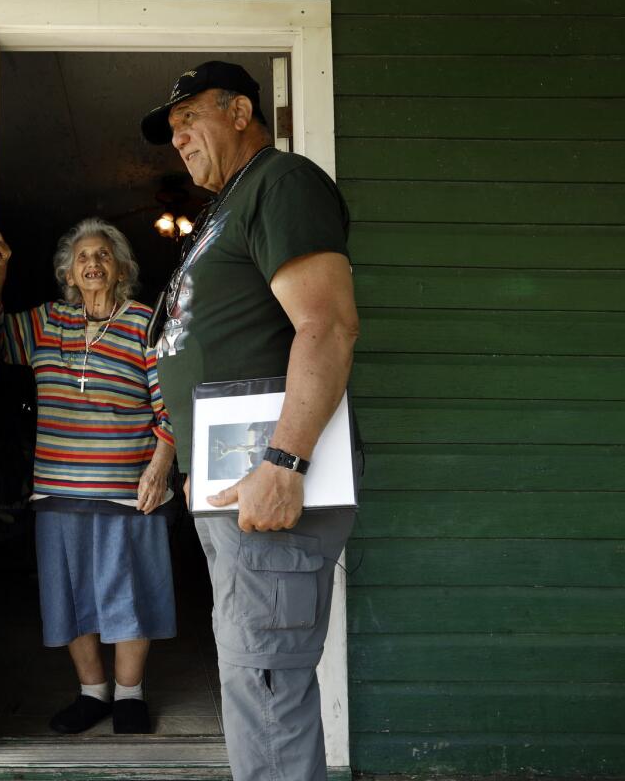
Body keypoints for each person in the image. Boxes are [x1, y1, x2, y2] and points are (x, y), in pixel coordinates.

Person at [140, 61, 361, 779]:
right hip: (235, 483)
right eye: (170, 130)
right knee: (250, 673)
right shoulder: (225, 208)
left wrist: (285, 462)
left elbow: (325, 326)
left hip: (268, 479)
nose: (178, 139)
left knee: (266, 682)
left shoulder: (280, 182)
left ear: (240, 112)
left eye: (189, 119)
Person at [0, 217, 177, 735]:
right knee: (69, 593)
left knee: (128, 591)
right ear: (69, 272)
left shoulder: (144, 323)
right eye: (83, 256)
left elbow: (171, 407)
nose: (93, 263)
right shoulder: (49, 322)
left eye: (104, 255)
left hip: (127, 490)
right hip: (58, 488)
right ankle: (94, 693)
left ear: (121, 269)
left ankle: (131, 695)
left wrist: (159, 470)